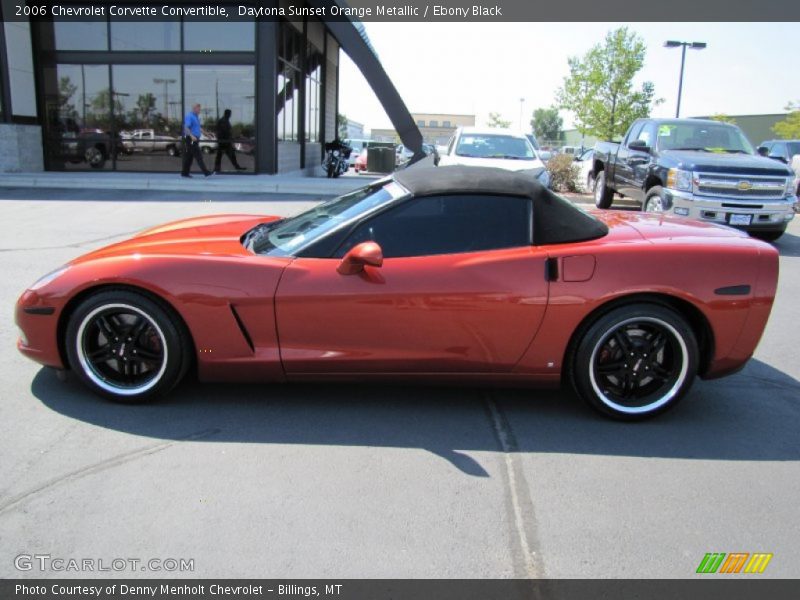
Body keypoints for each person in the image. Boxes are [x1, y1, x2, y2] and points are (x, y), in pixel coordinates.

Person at [181, 103, 213, 178]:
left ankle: (184, 173)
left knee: (189, 157)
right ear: (194, 108)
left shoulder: (196, 117)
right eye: (198, 109)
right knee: (198, 155)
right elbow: (185, 128)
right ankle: (206, 172)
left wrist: (206, 134)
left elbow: (198, 128)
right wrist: (191, 136)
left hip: (194, 138)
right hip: (191, 139)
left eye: (200, 109)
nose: (199, 110)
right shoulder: (189, 116)